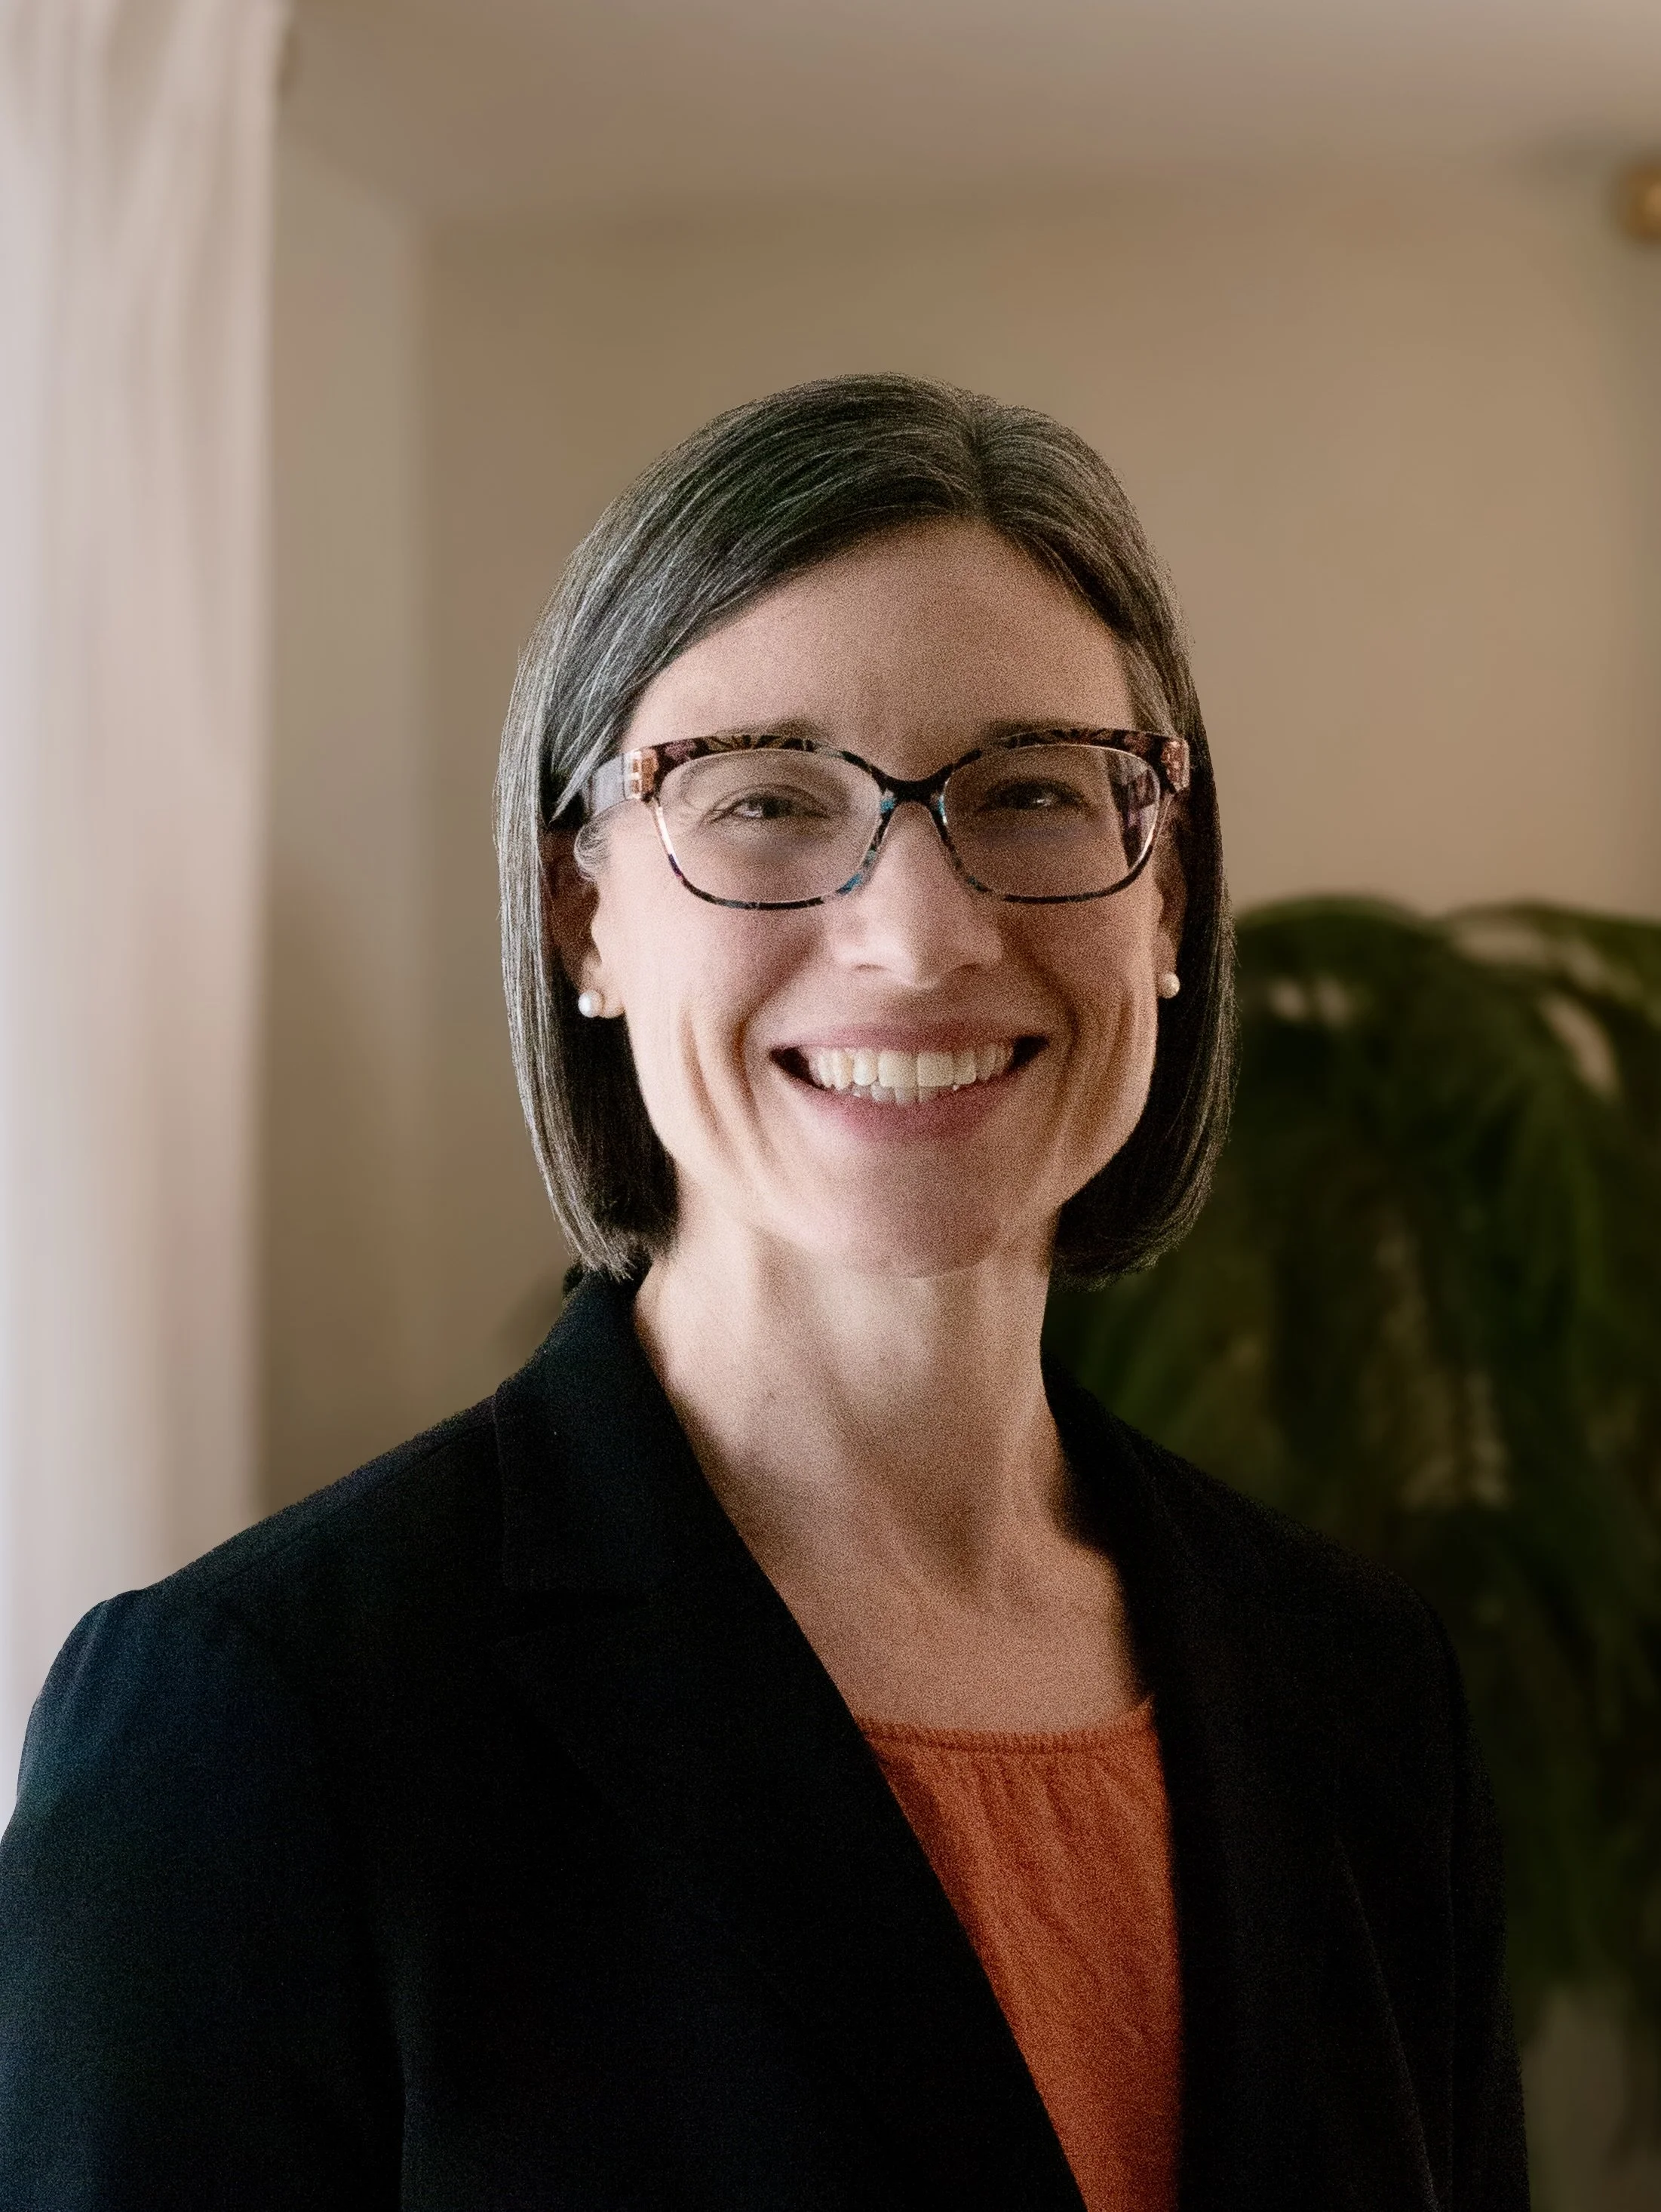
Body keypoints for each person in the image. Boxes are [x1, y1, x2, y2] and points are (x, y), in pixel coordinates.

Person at [0, 376, 1526, 2210]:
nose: (917, 929)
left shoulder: (1357, 1686)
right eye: (768, 801)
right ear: (588, 919)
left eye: (1034, 790)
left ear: (1171, 895)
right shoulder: (264, 1717)